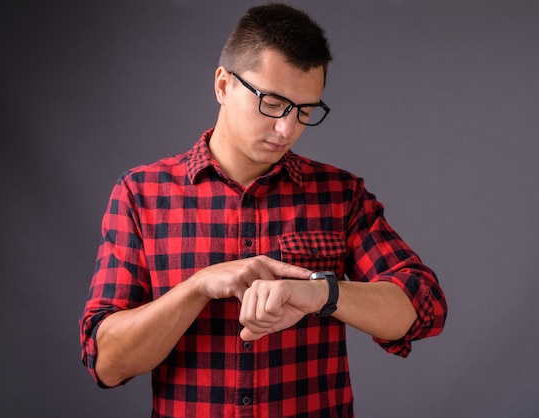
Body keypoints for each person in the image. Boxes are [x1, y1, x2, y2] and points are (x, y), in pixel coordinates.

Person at [79, 3, 447, 417]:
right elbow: (105, 362)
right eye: (273, 103)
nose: (287, 129)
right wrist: (198, 286)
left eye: (305, 111)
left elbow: (423, 306)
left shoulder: (340, 194)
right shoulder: (141, 195)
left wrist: (320, 293)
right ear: (223, 85)